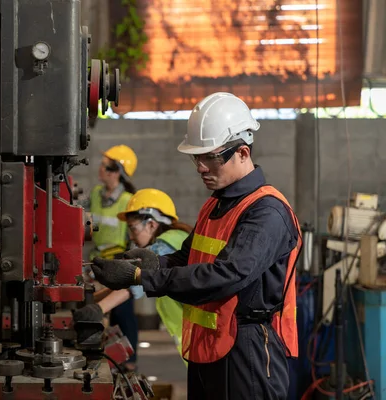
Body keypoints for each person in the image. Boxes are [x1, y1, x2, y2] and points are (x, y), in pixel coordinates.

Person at [89, 92, 301, 400]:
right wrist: (144, 262)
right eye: (196, 158)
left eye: (210, 158)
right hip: (209, 346)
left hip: (249, 350)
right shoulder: (214, 204)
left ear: (242, 152)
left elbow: (224, 276)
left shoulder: (265, 212)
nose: (201, 167)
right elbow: (185, 259)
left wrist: (141, 278)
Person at [75, 188, 192, 366]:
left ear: (151, 224)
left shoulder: (166, 245)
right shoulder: (178, 238)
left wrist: (97, 309)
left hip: (199, 336)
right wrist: (90, 300)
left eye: (133, 228)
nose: (131, 236)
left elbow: (135, 282)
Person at [78, 144, 141, 366]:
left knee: (123, 315)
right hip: (97, 262)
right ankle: (110, 358)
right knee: (105, 316)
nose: (100, 168)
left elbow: (135, 239)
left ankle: (130, 361)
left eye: (105, 166)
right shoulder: (95, 194)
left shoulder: (128, 200)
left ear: (116, 171)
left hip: (119, 262)